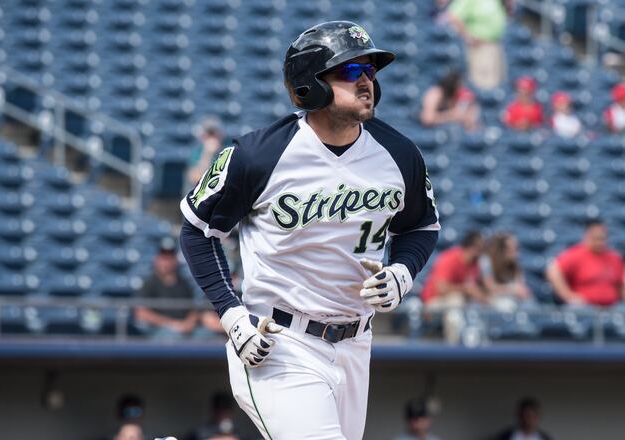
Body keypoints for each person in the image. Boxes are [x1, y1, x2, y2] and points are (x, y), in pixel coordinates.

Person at [179, 21, 439, 440]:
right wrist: (232, 317)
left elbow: (421, 227)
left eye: (370, 70)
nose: (367, 81)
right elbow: (196, 231)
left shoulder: (400, 154)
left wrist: (402, 272)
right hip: (278, 340)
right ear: (309, 84)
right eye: (351, 71)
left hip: (356, 342)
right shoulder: (258, 155)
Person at [420, 232, 486, 343]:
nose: (482, 251)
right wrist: (466, 289)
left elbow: (478, 290)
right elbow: (441, 289)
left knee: (472, 308)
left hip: (459, 304)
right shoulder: (450, 258)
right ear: (472, 247)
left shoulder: (475, 264)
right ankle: (453, 351)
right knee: (455, 305)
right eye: (480, 247)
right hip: (433, 304)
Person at [546, 220, 624, 307]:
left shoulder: (614, 258)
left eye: (603, 238)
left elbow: (621, 285)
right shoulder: (577, 254)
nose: (600, 242)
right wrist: (568, 296)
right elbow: (553, 270)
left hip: (612, 306)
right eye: (596, 238)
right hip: (586, 307)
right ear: (587, 236)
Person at [135, 237, 199, 339]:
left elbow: (193, 309)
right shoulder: (150, 282)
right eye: (164, 257)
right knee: (172, 336)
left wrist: (188, 323)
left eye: (170, 257)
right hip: (157, 330)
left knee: (205, 336)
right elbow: (141, 313)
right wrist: (172, 324)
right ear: (157, 259)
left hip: (184, 329)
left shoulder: (183, 283)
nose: (167, 262)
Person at [445, 0, 510, 90]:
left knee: (496, 85)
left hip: (495, 45)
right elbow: (453, 16)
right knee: (483, 85)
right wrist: (468, 36)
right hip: (480, 47)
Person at [480, 233, 532, 312]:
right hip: (487, 301)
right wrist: (512, 289)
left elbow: (520, 286)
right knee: (508, 306)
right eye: (513, 249)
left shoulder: (515, 264)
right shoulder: (486, 261)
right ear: (502, 250)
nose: (517, 253)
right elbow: (490, 287)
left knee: (529, 305)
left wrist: (521, 291)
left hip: (510, 299)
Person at [186, 117, 225, 188]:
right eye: (209, 133)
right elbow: (195, 179)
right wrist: (207, 154)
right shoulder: (197, 151)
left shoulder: (227, 150)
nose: (212, 137)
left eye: (214, 133)